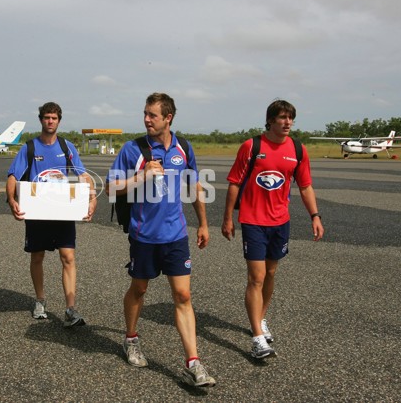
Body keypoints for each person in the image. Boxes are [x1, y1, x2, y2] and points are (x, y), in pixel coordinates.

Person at [105, 92, 215, 388]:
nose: (146, 119)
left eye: (152, 115)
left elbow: (194, 186)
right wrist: (139, 178)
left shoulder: (184, 148)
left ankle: (193, 362)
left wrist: (203, 223)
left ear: (168, 118)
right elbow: (110, 189)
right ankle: (130, 338)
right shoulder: (132, 150)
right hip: (144, 236)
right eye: (144, 113)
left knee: (183, 296)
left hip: (176, 235)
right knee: (139, 289)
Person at [221, 99, 324, 359]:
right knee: (256, 277)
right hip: (253, 220)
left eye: (290, 118)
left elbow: (305, 186)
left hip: (280, 221)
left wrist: (315, 215)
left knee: (270, 273)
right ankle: (257, 338)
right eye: (282, 118)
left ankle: (261, 318)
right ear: (270, 120)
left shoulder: (298, 150)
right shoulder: (251, 146)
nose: (287, 122)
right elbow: (234, 183)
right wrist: (227, 219)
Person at [6, 102, 97, 327]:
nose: (50, 121)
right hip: (38, 213)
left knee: (68, 257)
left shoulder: (67, 147)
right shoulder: (29, 148)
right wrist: (11, 200)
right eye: (46, 117)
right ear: (41, 120)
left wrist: (92, 197)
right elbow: (12, 176)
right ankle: (40, 300)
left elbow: (83, 174)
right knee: (37, 257)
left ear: (59, 120)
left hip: (62, 212)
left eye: (54, 118)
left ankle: (70, 309)